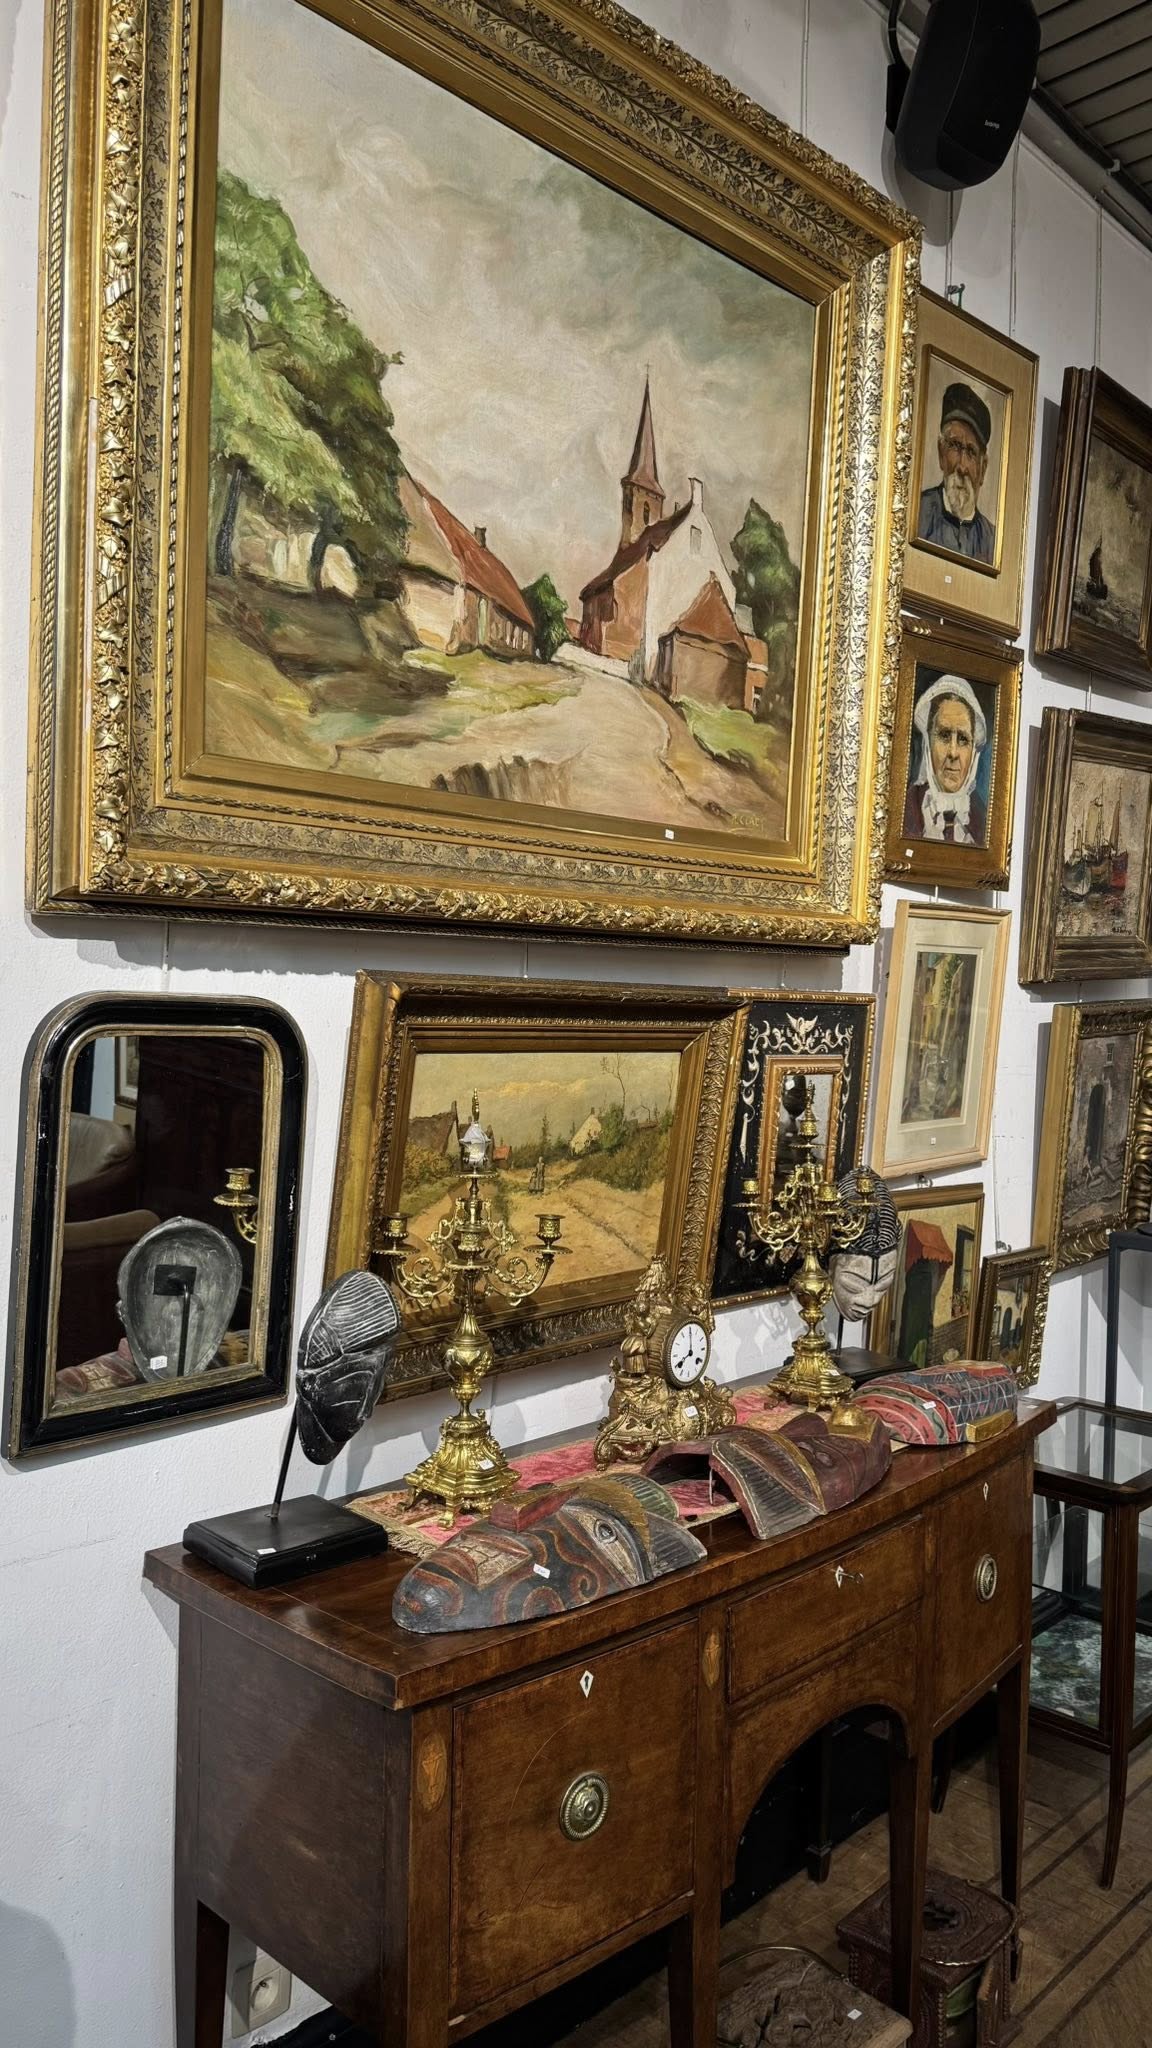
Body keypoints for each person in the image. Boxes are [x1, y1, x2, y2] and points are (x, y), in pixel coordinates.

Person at [902, 672, 988, 846]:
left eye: (963, 739)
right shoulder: (906, 811)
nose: (953, 753)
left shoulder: (983, 820)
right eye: (944, 735)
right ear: (928, 743)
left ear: (973, 751)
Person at [917, 381, 996, 564]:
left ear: (983, 468)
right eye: (954, 446)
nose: (962, 466)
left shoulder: (991, 540)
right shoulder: (917, 514)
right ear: (941, 453)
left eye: (971, 452)